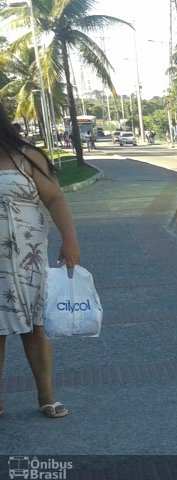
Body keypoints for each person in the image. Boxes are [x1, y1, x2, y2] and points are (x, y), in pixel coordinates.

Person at [0, 101, 81, 419]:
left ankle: (46, 396)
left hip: (27, 262)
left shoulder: (27, 156)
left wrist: (70, 240)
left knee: (35, 327)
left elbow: (55, 198)